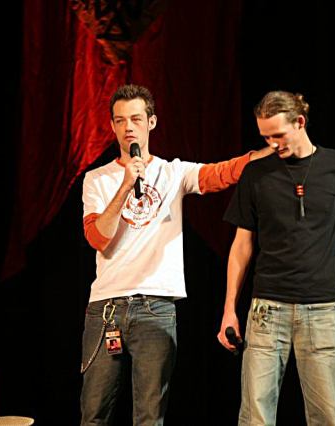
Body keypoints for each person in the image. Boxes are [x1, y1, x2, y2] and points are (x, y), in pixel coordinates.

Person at [80, 84, 272, 426]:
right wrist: (125, 185)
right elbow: (99, 238)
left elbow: (223, 173)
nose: (128, 128)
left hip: (155, 307)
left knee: (150, 416)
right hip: (106, 308)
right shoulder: (97, 179)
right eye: (120, 120)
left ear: (151, 122)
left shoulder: (174, 172)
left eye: (136, 119)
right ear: (111, 125)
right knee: (94, 413)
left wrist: (270, 151)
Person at [217, 90, 335, 425]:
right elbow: (242, 244)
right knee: (256, 416)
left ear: (300, 122)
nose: (272, 144)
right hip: (267, 309)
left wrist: (333, 249)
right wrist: (229, 309)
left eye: (278, 135)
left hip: (320, 310)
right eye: (265, 137)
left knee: (326, 416)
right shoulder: (256, 173)